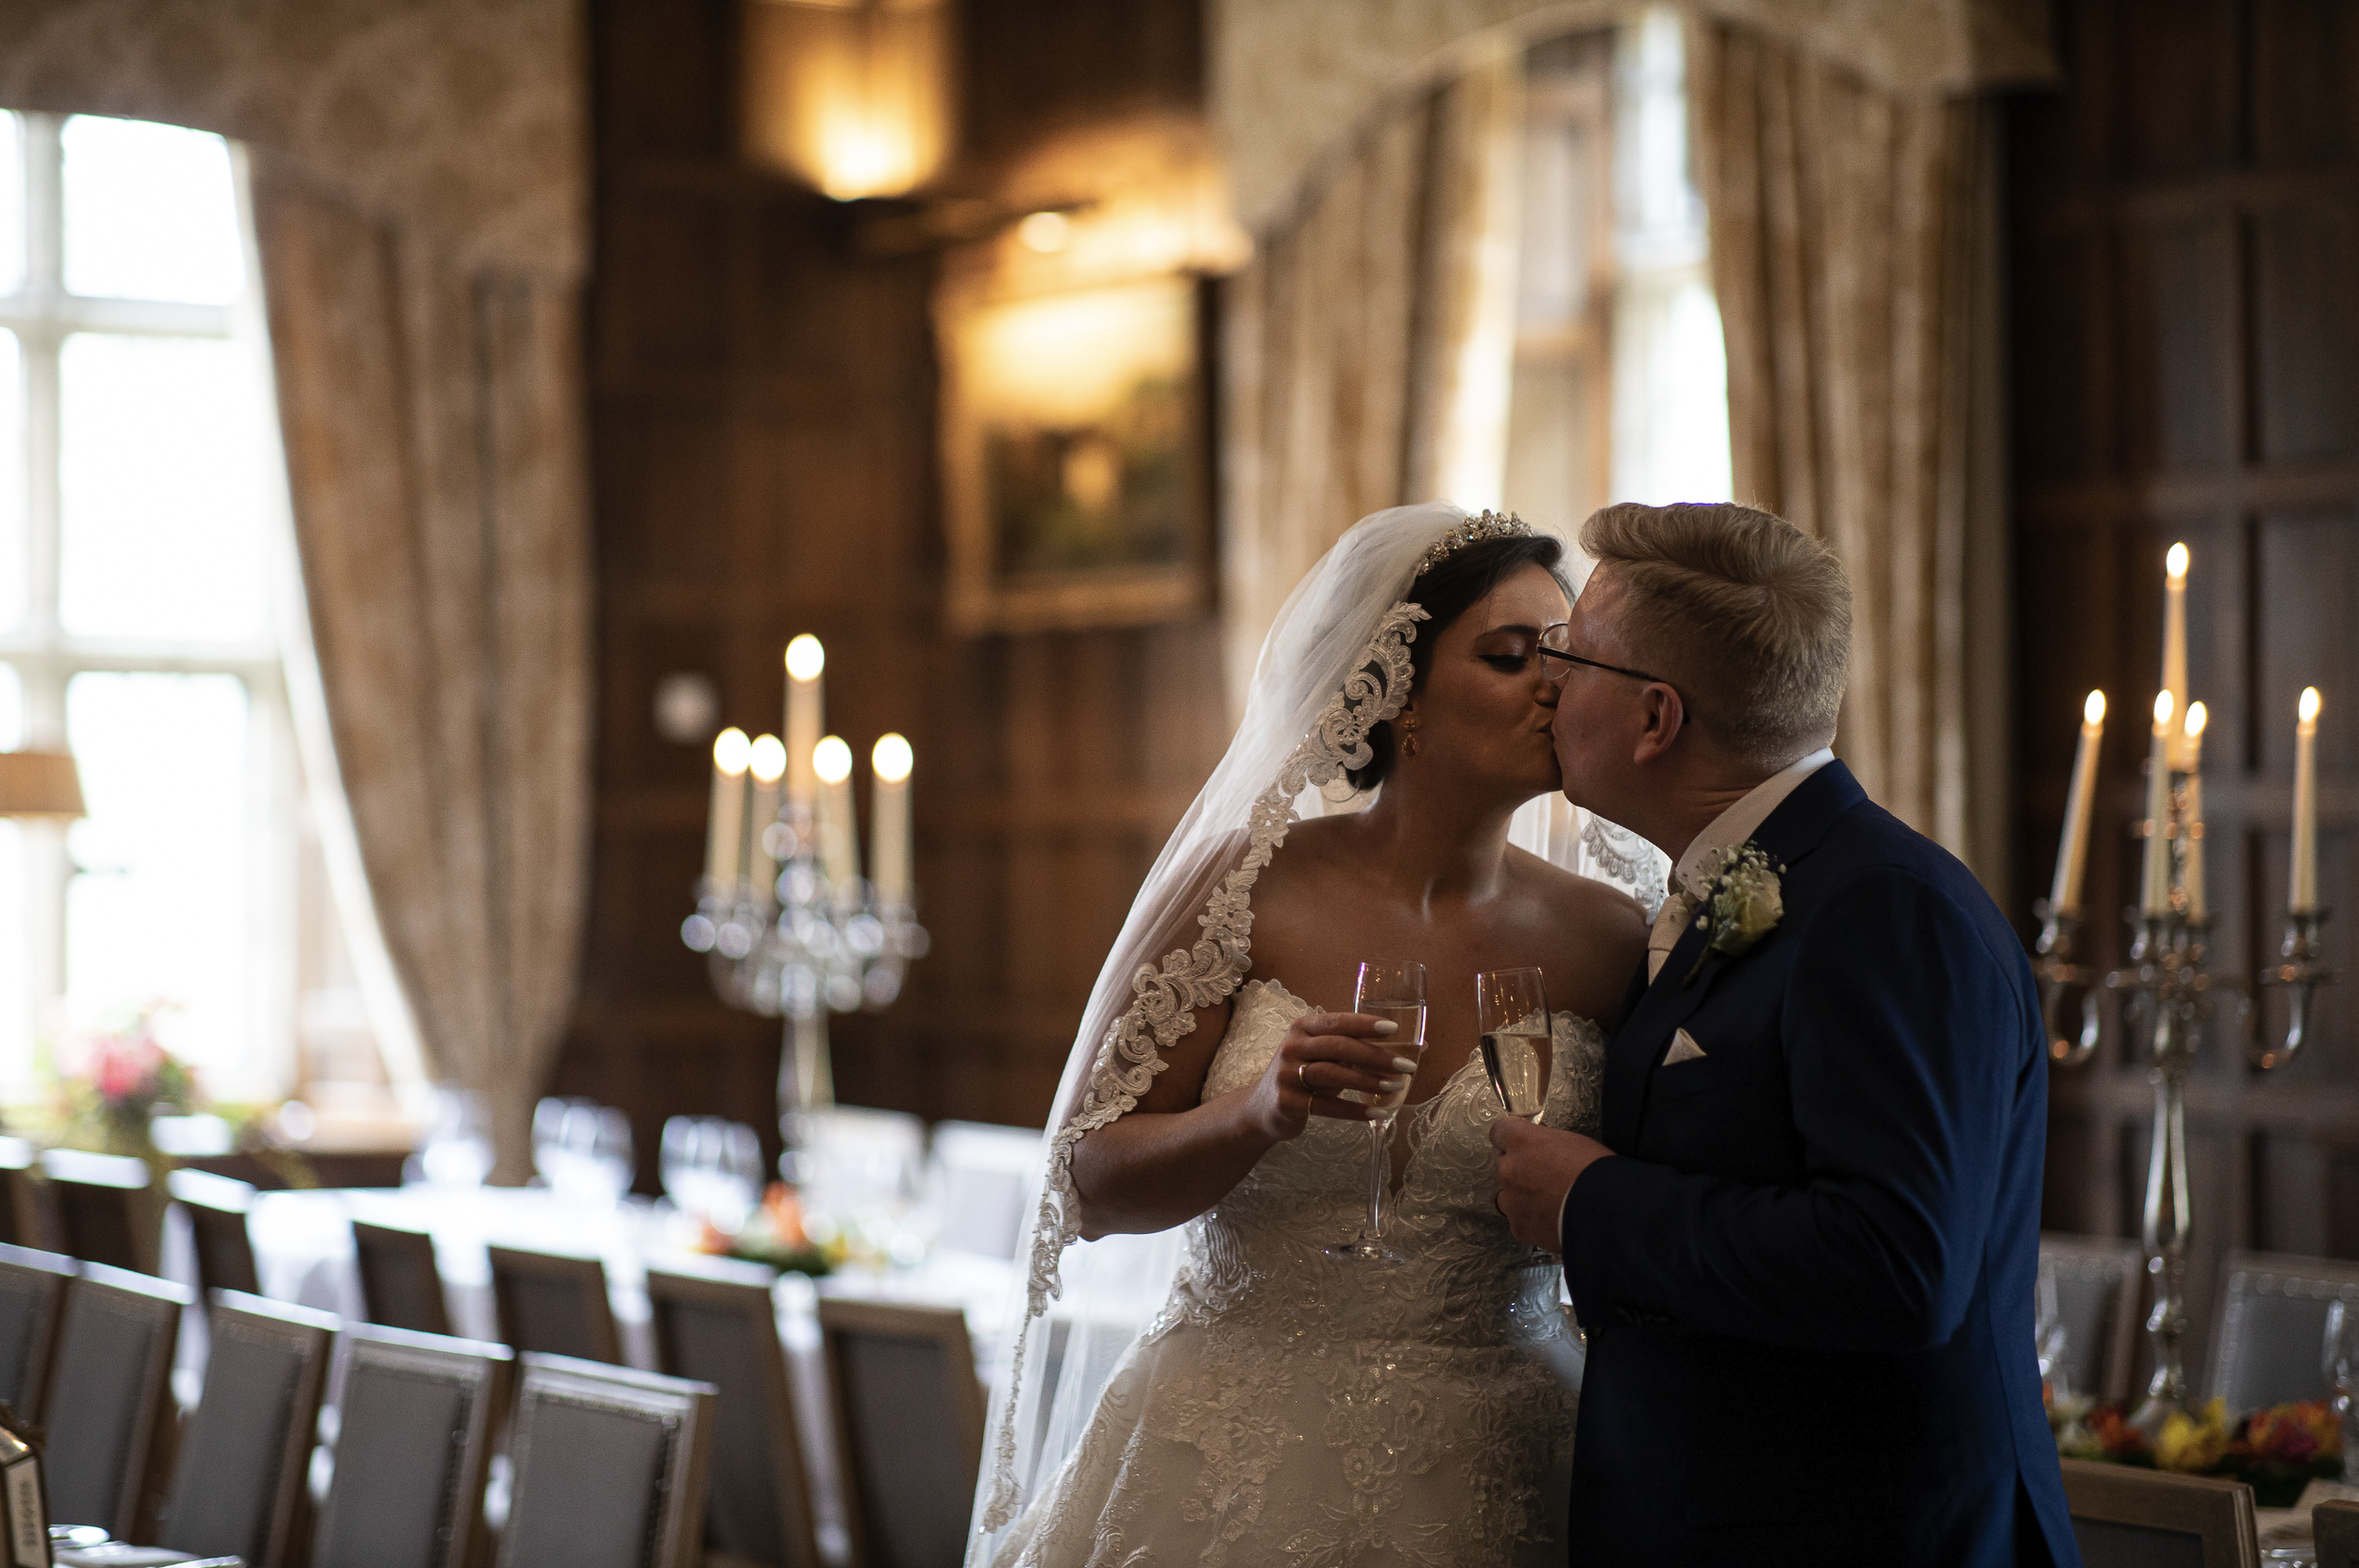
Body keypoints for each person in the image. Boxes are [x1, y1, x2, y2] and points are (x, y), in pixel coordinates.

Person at [968, 503, 1652, 1568]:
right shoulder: (1250, 884)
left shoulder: (1613, 938)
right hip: (1223, 1450)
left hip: (1505, 1454)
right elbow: (1085, 1187)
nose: (1556, 686)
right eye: (1513, 657)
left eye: (1562, 656)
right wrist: (1256, 1114)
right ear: (1401, 696)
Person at [1492, 502, 2081, 1567]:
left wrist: (1591, 1202)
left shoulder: (1887, 911)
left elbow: (1898, 1265)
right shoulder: (1748, 887)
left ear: (1654, 718)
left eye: (1568, 656)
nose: (1548, 685)